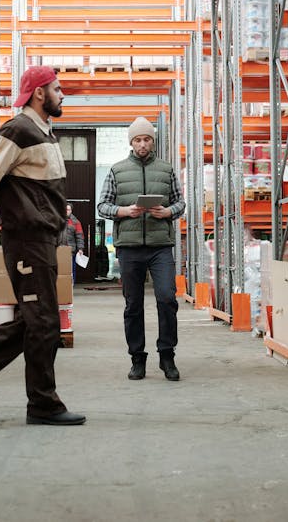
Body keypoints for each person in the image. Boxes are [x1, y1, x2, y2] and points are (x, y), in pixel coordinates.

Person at [0, 66, 85, 426]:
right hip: (26, 242)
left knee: (34, 321)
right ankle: (43, 404)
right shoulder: (17, 130)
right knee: (43, 325)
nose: (62, 94)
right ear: (40, 93)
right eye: (57, 88)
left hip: (43, 241)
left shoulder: (44, 133)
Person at [97, 117, 186, 381]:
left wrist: (168, 212)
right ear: (131, 142)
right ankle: (137, 359)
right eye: (138, 140)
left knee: (167, 298)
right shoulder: (117, 171)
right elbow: (103, 206)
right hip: (129, 247)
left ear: (152, 141)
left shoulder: (167, 170)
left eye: (147, 139)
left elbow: (180, 202)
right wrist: (123, 211)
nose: (143, 144)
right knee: (133, 305)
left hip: (160, 247)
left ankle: (167, 356)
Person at [61, 204, 85, 280]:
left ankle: (71, 286)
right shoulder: (57, 220)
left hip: (70, 251)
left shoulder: (75, 222)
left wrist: (80, 249)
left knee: (71, 270)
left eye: (68, 210)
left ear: (71, 211)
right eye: (65, 209)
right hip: (58, 250)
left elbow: (80, 236)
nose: (66, 211)